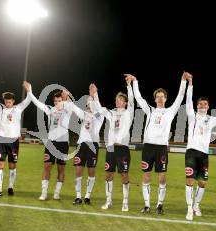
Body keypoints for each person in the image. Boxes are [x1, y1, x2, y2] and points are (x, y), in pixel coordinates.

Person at [131, 72, 187, 214]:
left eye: (162, 96)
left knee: (162, 177)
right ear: (155, 99)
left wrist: (183, 81)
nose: (160, 98)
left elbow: (180, 97)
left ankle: (160, 205)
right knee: (146, 176)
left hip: (162, 147)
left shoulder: (170, 112)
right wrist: (135, 81)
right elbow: (138, 98)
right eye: (158, 96)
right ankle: (147, 205)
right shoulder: (150, 110)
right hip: (148, 147)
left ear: (166, 99)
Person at [184, 73, 216, 220]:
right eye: (200, 104)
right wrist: (190, 83)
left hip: (204, 154)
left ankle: (196, 205)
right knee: (189, 180)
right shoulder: (192, 115)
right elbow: (188, 100)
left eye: (205, 104)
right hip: (191, 152)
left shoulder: (211, 120)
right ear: (197, 106)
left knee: (202, 183)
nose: (202, 106)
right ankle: (190, 208)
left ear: (208, 107)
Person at [24, 81, 73, 200]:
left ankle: (57, 193)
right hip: (51, 143)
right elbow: (37, 103)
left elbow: (71, 104)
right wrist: (30, 91)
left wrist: (66, 98)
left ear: (63, 101)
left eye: (59, 101)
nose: (57, 103)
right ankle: (44, 192)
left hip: (63, 144)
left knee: (61, 169)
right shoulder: (50, 110)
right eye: (55, 101)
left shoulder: (68, 110)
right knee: (47, 166)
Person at [0, 78, 31, 197]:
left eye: (9, 102)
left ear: (13, 101)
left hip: (14, 142)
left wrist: (29, 90)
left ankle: (10, 187)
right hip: (1, 141)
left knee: (12, 165)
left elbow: (28, 100)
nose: (7, 104)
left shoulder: (18, 109)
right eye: (6, 102)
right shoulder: (0, 108)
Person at [97, 76, 134, 211]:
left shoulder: (128, 113)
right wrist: (95, 94)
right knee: (108, 175)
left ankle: (125, 202)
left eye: (120, 100)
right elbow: (100, 108)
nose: (117, 101)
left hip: (123, 149)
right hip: (111, 149)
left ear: (125, 102)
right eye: (116, 99)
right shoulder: (111, 113)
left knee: (124, 175)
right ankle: (108, 201)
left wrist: (129, 85)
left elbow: (132, 101)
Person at [71, 83, 105, 205]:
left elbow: (99, 108)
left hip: (93, 145)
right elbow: (73, 107)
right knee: (78, 171)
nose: (89, 104)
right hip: (81, 145)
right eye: (87, 102)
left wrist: (94, 94)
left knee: (91, 171)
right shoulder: (84, 114)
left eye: (91, 102)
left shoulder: (99, 117)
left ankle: (87, 196)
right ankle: (78, 196)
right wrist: (66, 98)